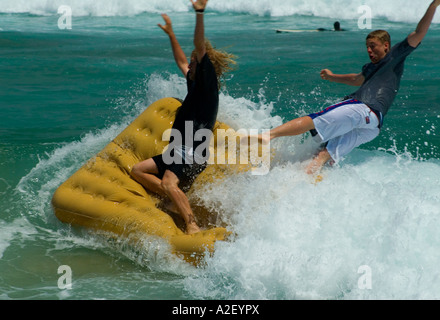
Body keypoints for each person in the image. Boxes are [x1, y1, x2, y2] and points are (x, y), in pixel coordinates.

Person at [257, 0, 440, 175]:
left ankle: (268, 135)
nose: (369, 50)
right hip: (372, 125)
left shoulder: (396, 55)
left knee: (316, 119)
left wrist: (434, 5)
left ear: (386, 46)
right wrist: (331, 77)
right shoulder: (369, 68)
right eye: (367, 47)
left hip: (362, 108)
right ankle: (307, 182)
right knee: (323, 155)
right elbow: (355, 79)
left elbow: (419, 31)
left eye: (373, 46)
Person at [130, 0, 236, 234]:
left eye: (194, 60)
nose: (189, 63)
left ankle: (192, 223)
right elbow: (180, 61)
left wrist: (199, 13)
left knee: (169, 182)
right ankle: (174, 198)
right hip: (177, 150)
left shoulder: (208, 84)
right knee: (138, 170)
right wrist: (171, 34)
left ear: (204, 64)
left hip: (192, 151)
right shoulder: (195, 81)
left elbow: (199, 46)